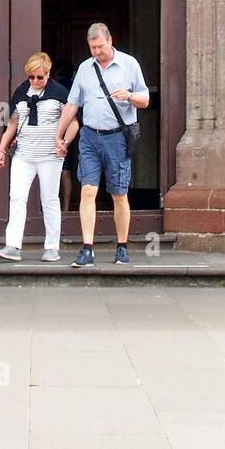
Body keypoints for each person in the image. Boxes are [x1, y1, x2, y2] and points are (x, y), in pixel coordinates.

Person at [55, 22, 149, 267]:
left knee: (119, 193)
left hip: (117, 136)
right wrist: (59, 133)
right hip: (89, 136)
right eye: (92, 48)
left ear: (110, 40)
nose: (96, 52)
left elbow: (145, 99)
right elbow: (73, 104)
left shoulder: (129, 65)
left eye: (99, 46)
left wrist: (128, 96)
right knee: (87, 190)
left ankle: (122, 246)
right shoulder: (85, 68)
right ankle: (87, 248)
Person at [0, 53, 75, 263]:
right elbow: (12, 124)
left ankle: (51, 247)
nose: (35, 81)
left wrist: (64, 142)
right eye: (31, 77)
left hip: (50, 156)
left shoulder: (59, 92)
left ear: (48, 73)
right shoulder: (21, 91)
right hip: (24, 155)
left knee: (49, 200)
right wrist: (1, 150)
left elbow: (73, 123)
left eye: (39, 77)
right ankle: (12, 245)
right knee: (17, 198)